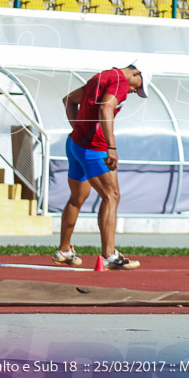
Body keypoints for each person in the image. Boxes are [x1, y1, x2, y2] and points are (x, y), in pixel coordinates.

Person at [53, 64, 147, 270]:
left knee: (77, 199)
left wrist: (79, 128)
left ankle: (64, 250)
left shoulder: (102, 76)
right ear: (136, 73)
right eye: (138, 87)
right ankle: (109, 255)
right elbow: (106, 107)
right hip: (93, 149)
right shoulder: (120, 81)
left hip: (75, 144)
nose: (134, 92)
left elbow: (68, 100)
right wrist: (111, 147)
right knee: (111, 196)